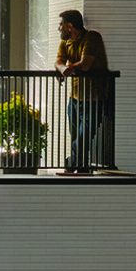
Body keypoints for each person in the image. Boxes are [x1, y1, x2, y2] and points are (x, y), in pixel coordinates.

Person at [55, 10, 110, 173]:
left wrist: (67, 68)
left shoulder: (92, 37)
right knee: (77, 137)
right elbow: (58, 61)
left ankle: (71, 164)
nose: (59, 29)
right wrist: (62, 68)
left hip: (93, 99)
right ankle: (82, 168)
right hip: (74, 99)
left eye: (61, 25)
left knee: (82, 139)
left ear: (70, 26)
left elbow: (86, 64)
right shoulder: (65, 42)